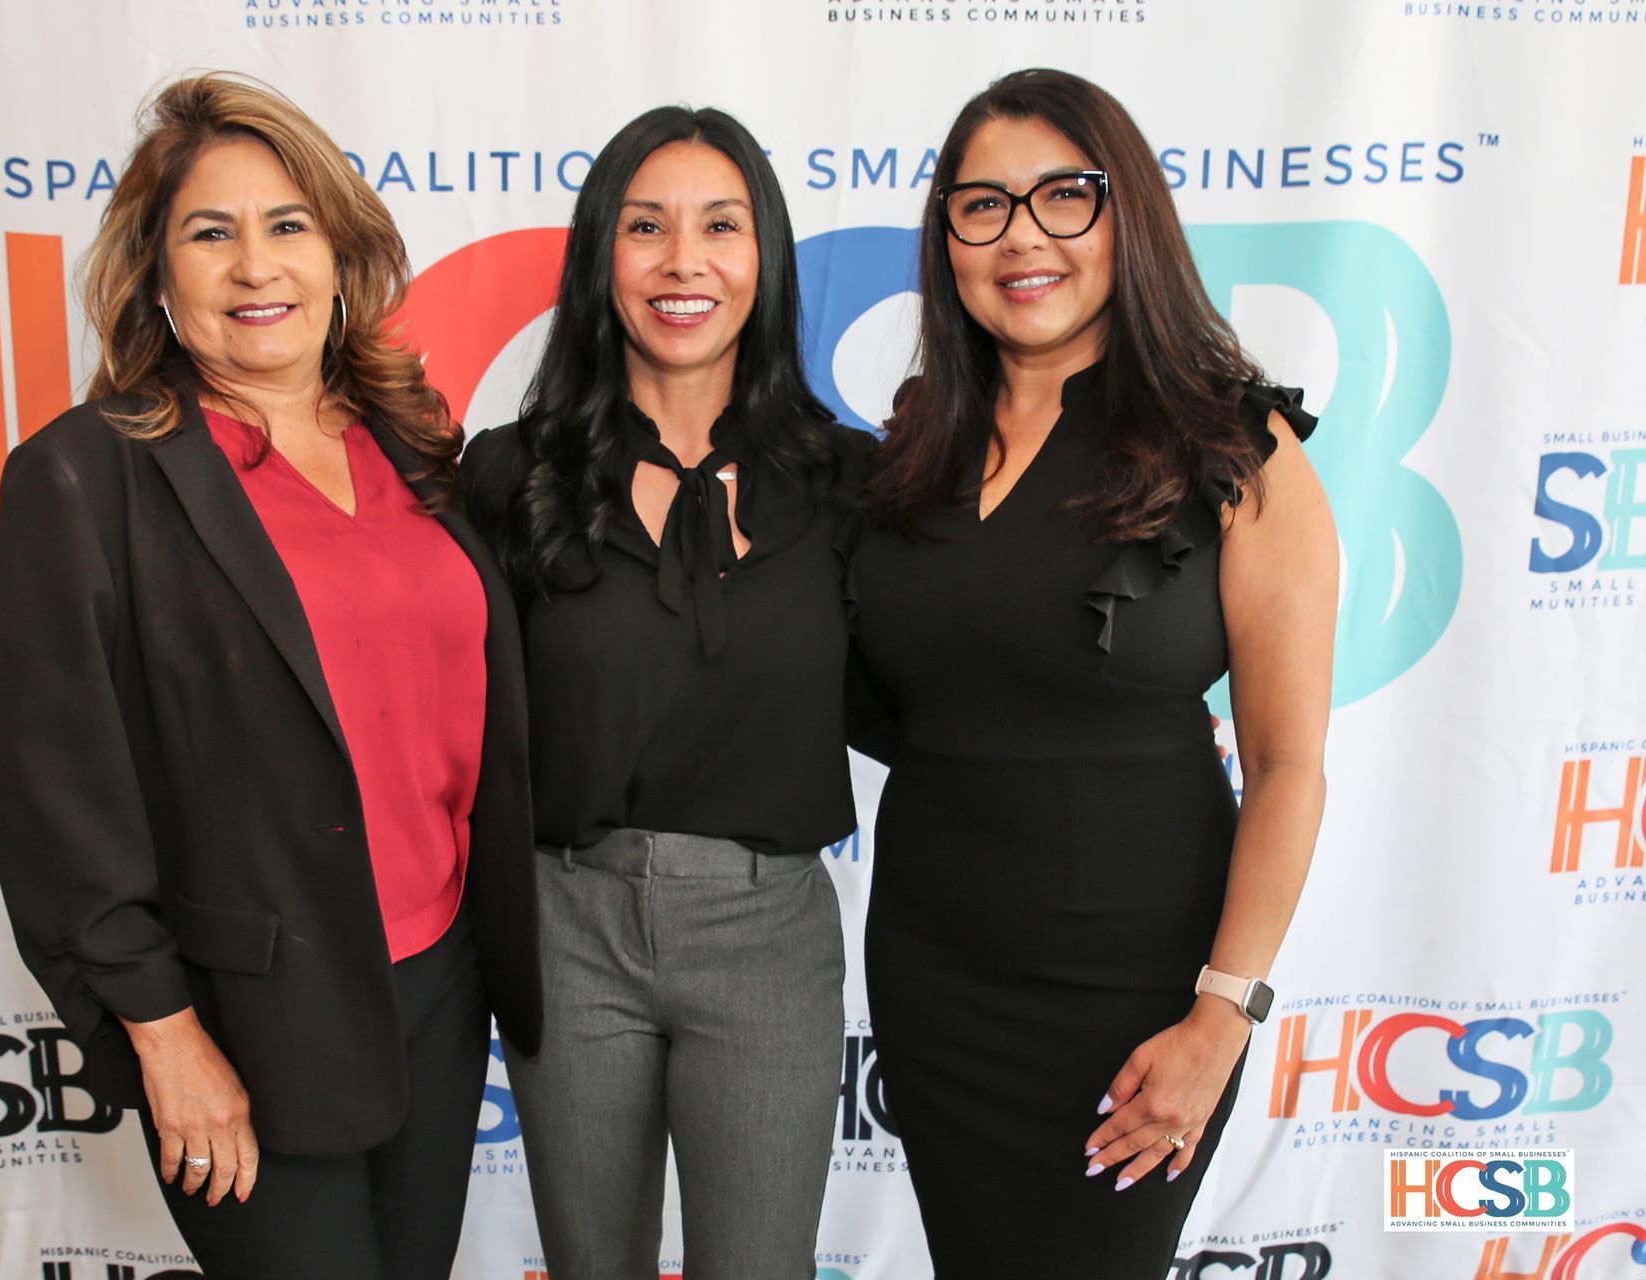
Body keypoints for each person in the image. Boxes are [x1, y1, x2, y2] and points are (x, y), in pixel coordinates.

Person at [0, 74, 539, 1280]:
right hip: (244, 1014)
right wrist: (166, 1037)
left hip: (439, 981)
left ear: (340, 253)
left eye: (288, 225)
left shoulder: (413, 443)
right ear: (155, 268)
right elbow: (55, 802)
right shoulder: (84, 478)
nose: (255, 266)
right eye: (209, 231)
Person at [847, 68, 1336, 1275]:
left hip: (1138, 995)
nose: (1023, 236)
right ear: (946, 238)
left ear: (1131, 218)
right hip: (934, 974)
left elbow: (1286, 765)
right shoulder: (912, 450)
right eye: (983, 206)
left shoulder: (1235, 445)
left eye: (1065, 196)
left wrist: (1223, 1013)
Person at [460, 106, 872, 1280]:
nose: (683, 259)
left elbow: (948, 669)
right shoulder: (511, 473)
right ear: (602, 256)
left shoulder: (850, 482)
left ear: (766, 257)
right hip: (564, 924)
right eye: (646, 226)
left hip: (766, 932)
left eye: (720, 225)